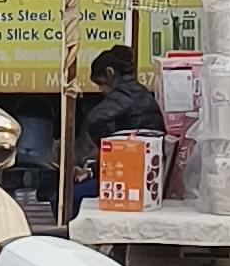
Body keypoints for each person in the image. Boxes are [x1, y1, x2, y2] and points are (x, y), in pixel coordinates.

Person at [70, 43, 169, 210]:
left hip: (132, 178)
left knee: (71, 196)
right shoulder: (141, 93)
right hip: (142, 171)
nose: (101, 90)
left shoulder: (125, 95)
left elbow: (95, 119)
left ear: (110, 73)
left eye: (101, 83)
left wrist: (110, 148)